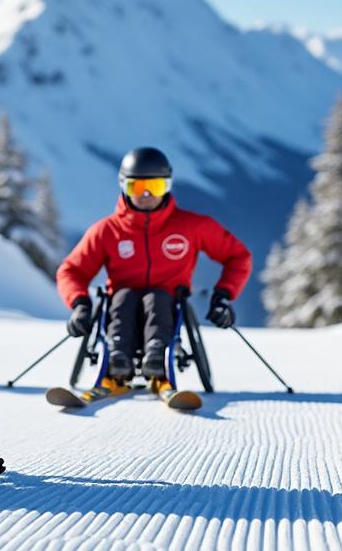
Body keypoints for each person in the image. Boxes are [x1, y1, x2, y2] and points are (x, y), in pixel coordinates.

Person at [56, 147, 252, 389]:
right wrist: (80, 304)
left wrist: (223, 296)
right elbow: (71, 270)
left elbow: (238, 256)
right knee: (124, 297)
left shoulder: (192, 226)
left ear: (168, 186)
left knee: (157, 298)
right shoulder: (106, 231)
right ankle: (118, 357)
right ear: (124, 187)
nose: (147, 194)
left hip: (167, 304)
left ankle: (156, 356)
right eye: (137, 187)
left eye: (156, 186)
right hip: (121, 304)